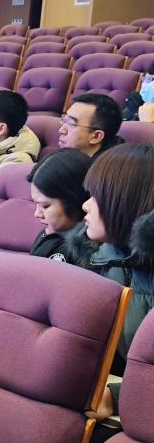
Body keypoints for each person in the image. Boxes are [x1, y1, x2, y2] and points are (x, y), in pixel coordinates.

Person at [65, 144, 154, 418]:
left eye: (97, 197)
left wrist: (115, 397)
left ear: (127, 204)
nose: (85, 205)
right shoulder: (99, 258)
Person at [27, 149, 93, 262]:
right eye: (36, 204)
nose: (37, 214)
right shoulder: (50, 233)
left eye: (45, 206)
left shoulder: (85, 254)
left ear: (74, 201)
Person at [58, 93, 125, 158]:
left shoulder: (110, 164)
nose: (61, 130)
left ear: (96, 137)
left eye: (71, 123)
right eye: (65, 120)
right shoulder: (68, 157)